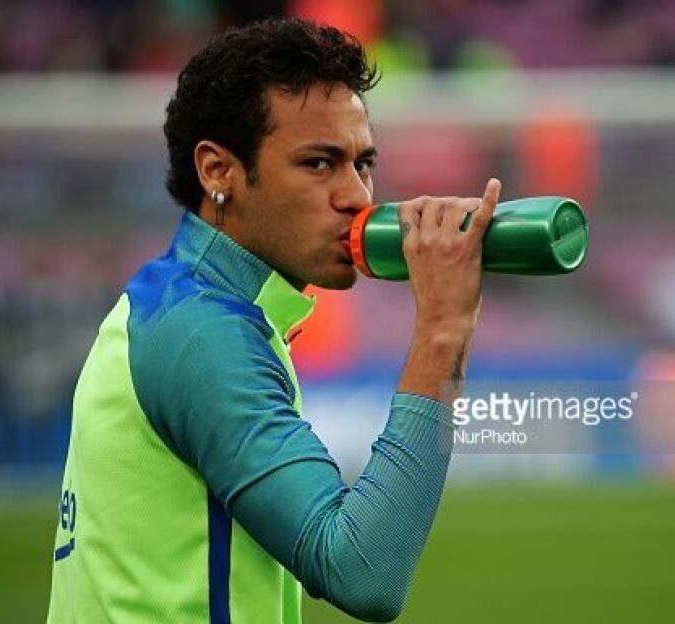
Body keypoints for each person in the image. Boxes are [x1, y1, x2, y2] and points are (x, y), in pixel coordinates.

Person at [47, 16, 500, 624]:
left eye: (363, 163)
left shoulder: (184, 304)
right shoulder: (201, 333)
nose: (358, 196)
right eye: (318, 163)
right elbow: (364, 572)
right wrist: (443, 328)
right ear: (218, 172)